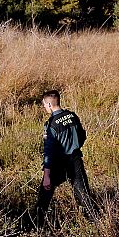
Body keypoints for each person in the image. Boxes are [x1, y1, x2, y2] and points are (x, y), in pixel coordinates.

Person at [35, 90, 96, 226]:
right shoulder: (72, 116)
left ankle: (36, 226)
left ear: (49, 105)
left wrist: (46, 175)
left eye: (44, 105)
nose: (44, 107)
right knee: (83, 195)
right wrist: (74, 147)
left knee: (44, 198)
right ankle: (95, 223)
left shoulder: (51, 124)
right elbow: (82, 136)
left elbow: (48, 152)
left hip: (58, 163)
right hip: (75, 160)